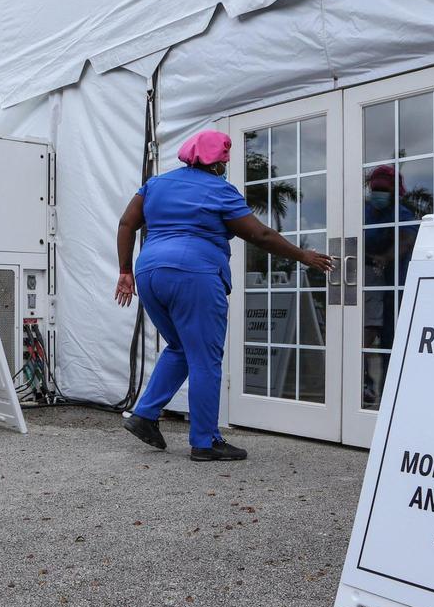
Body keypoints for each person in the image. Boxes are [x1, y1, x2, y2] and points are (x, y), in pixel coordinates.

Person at [114, 129, 334, 461]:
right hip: (194, 274)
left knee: (180, 347)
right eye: (224, 161)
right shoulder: (220, 190)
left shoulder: (156, 184)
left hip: (150, 274)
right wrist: (302, 255)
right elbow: (258, 233)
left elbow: (127, 223)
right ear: (219, 163)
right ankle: (204, 441)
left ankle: (144, 415)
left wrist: (125, 271)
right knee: (205, 358)